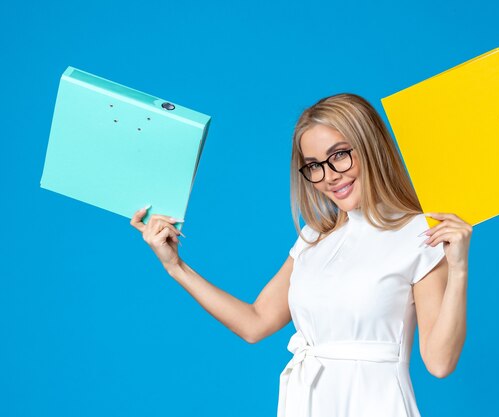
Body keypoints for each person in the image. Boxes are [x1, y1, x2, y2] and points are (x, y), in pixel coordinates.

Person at [130, 93, 471, 417]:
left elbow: (439, 363)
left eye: (339, 154)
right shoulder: (314, 237)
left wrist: (458, 270)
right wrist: (175, 266)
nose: (330, 176)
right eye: (314, 165)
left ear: (370, 146)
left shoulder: (418, 232)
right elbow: (256, 322)